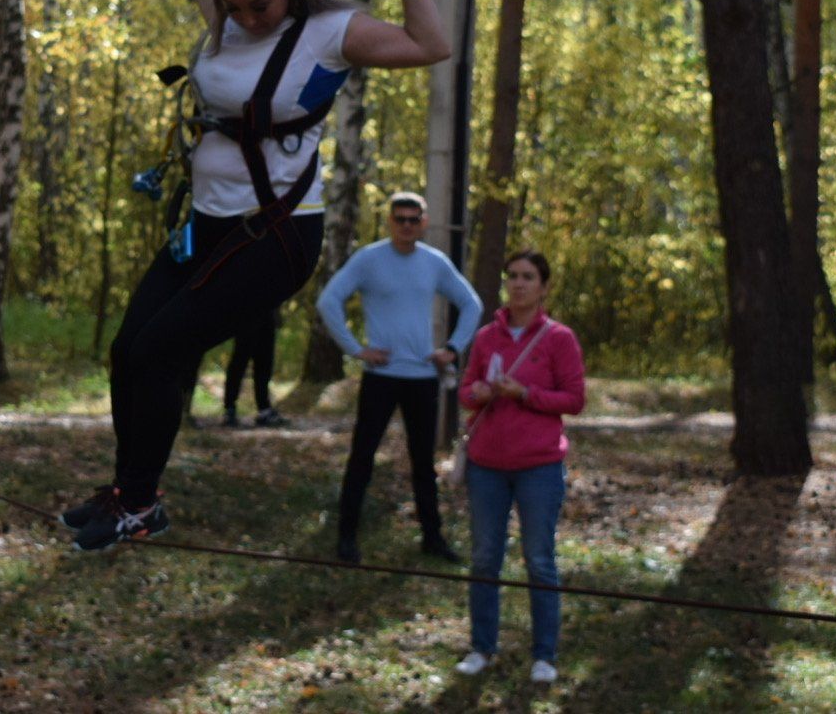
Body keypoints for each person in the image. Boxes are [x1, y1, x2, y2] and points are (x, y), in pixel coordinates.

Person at [59, 0, 451, 552]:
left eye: (260, 4)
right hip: (207, 224)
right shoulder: (231, 22)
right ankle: (128, 490)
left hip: (274, 236)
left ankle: (138, 502)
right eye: (232, 4)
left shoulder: (329, 32)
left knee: (159, 350)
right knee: (128, 348)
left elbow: (432, 45)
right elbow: (229, 34)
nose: (247, 18)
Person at [316, 191, 483, 564]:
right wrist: (356, 349)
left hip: (423, 377)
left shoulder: (434, 262)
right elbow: (329, 300)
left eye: (413, 219)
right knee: (362, 456)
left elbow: (471, 303)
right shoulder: (369, 259)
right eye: (400, 219)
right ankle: (346, 538)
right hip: (381, 375)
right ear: (390, 221)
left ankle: (432, 538)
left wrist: (453, 348)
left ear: (424, 222)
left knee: (422, 461)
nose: (406, 226)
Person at [453, 250, 585, 686]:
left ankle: (544, 654)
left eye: (529, 277)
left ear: (544, 287)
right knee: (485, 557)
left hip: (538, 466)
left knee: (539, 560)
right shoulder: (487, 336)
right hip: (486, 464)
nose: (519, 284)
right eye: (513, 276)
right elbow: (466, 392)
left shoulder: (559, 338)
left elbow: (574, 399)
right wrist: (481, 393)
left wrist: (524, 394)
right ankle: (481, 647)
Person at [223, 309, 286, 428]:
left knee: (264, 362)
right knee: (240, 361)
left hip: (267, 313)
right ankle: (229, 409)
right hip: (247, 312)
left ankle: (264, 409)